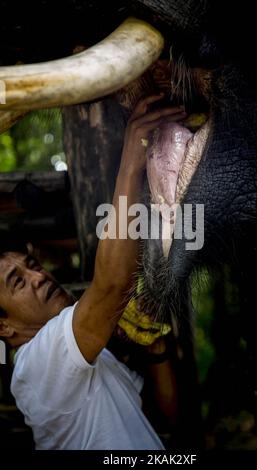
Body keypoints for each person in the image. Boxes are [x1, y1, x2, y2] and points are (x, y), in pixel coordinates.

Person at [0, 95, 187, 450]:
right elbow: (113, 285)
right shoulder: (34, 366)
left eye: (33, 265)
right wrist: (132, 159)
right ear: (3, 326)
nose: (39, 277)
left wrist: (154, 342)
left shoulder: (87, 356)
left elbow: (165, 418)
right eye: (19, 282)